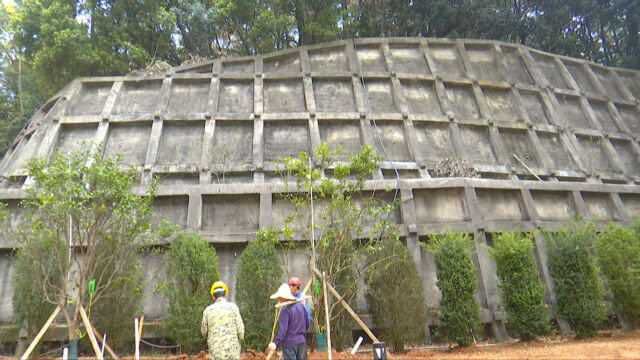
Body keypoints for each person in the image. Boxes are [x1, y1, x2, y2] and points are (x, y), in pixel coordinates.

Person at [201, 281, 245, 360]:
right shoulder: (233, 308)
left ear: (213, 296)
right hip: (232, 353)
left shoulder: (207, 311)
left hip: (215, 354)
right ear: (225, 294)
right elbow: (241, 332)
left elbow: (203, 332)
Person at [268, 283, 309, 360]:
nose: (278, 300)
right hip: (302, 342)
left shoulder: (285, 310)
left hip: (290, 344)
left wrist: (275, 343)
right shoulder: (301, 306)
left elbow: (282, 331)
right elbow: (307, 324)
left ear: (284, 297)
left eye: (279, 297)